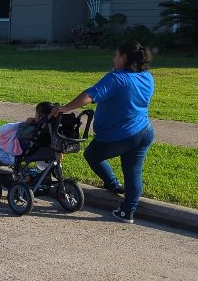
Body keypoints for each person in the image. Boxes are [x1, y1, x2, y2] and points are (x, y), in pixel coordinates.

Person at [52, 41, 155, 224]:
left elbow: (89, 95)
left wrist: (65, 108)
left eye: (116, 55)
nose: (113, 58)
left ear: (124, 57)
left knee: (92, 154)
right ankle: (127, 212)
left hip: (120, 135)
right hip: (144, 131)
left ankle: (113, 184)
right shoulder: (147, 76)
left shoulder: (116, 78)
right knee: (133, 172)